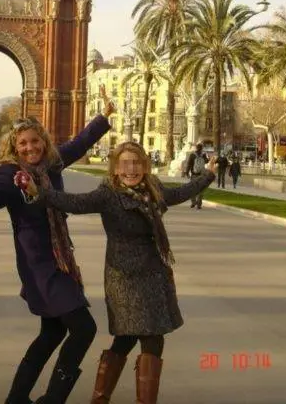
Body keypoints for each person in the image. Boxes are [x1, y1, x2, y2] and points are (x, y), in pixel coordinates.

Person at [0, 89, 115, 404]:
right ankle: (53, 398)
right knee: (83, 329)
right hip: (40, 266)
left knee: (52, 333)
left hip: (60, 261)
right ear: (14, 147)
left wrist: (103, 118)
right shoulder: (10, 174)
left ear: (44, 142)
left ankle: (16, 398)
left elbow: (80, 143)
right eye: (23, 143)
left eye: (35, 141)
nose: (30, 147)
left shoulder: (52, 165)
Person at [13, 141, 216, 403]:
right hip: (124, 278)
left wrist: (208, 175)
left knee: (140, 338)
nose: (131, 169)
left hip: (153, 274)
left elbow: (179, 194)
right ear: (115, 169)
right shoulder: (107, 194)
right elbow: (72, 202)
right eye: (124, 164)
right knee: (136, 337)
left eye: (136, 163)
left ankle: (106, 398)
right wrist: (38, 192)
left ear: (144, 165)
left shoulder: (152, 188)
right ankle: (102, 398)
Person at [186, 143, 209, 209]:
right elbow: (206, 161)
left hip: (194, 174)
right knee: (201, 189)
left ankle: (193, 202)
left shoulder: (192, 155)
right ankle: (199, 204)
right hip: (202, 174)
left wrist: (187, 172)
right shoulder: (203, 155)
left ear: (196, 148)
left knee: (192, 188)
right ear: (202, 148)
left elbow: (189, 164)